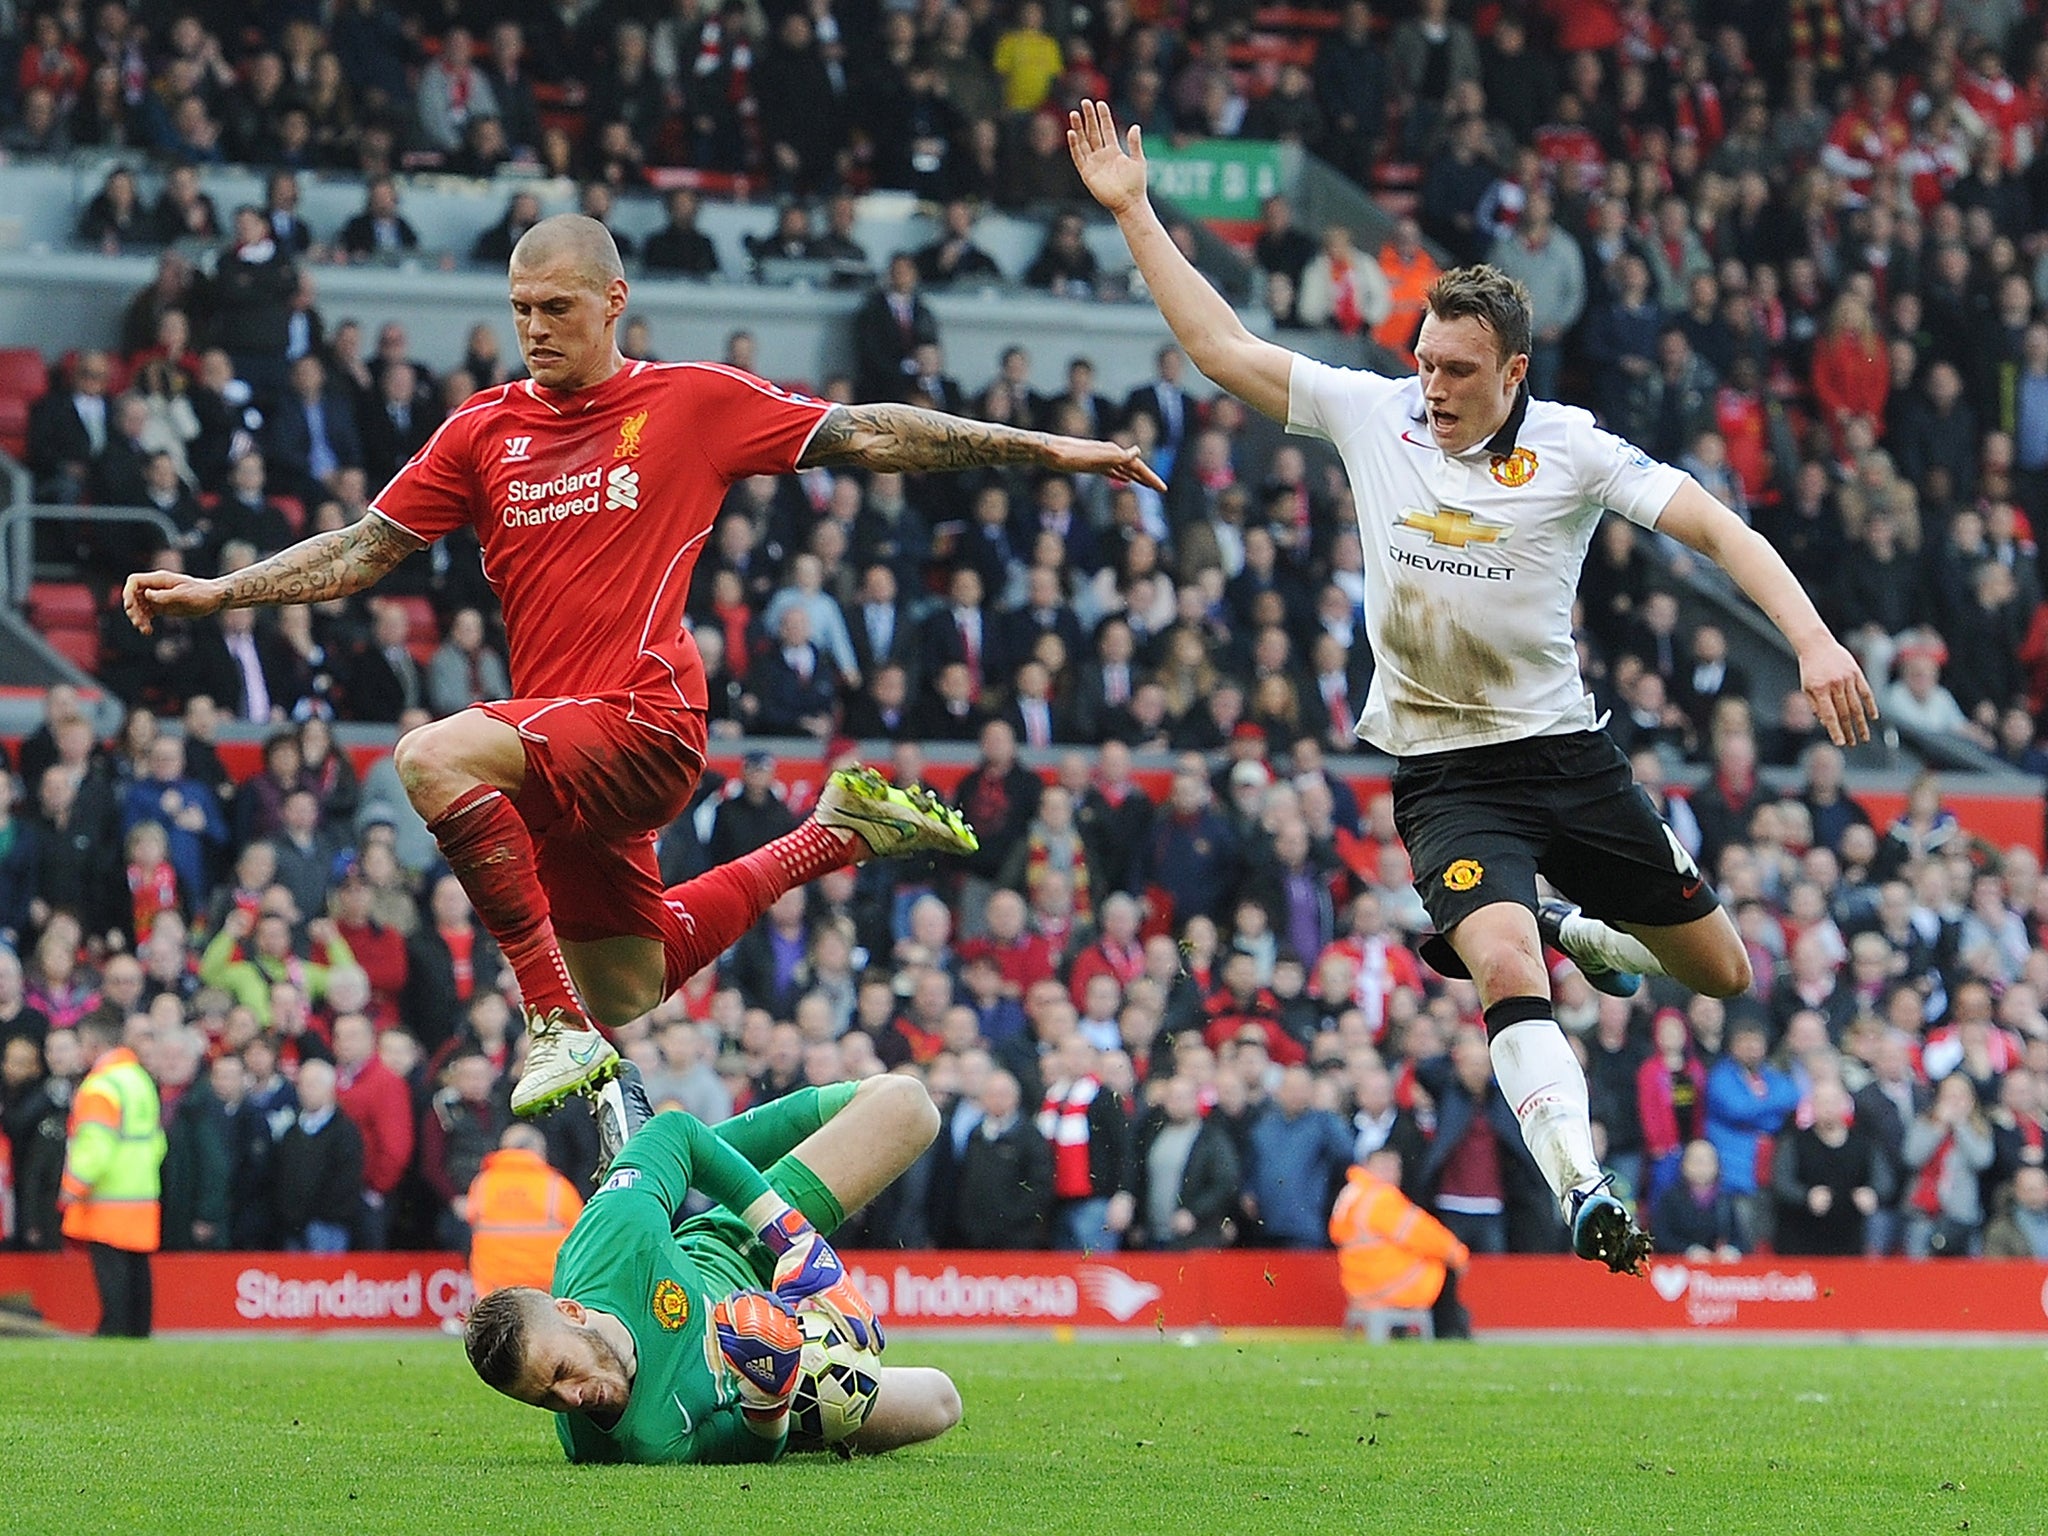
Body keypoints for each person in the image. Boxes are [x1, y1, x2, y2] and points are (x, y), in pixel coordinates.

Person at [1069, 100, 1878, 1276]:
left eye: (1454, 369)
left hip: (1566, 754)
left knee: (1721, 973)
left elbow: (1712, 526)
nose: (1428, 384)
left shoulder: (1574, 450)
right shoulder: (1372, 414)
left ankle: (1572, 928)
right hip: (1447, 774)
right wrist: (1135, 210)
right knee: (1502, 965)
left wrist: (1811, 640)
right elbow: (1224, 351)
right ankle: (1582, 1188)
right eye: (1420, 359)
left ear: (1511, 370)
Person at [122, 214, 1162, 1122]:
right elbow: (362, 548)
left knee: (430, 759)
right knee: (626, 984)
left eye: (558, 307)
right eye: (521, 307)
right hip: (557, 756)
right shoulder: (483, 431)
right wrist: (223, 593)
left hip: (642, 717)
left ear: (613, 301)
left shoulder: (690, 403)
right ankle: (829, 836)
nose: (535, 327)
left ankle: (548, 1023)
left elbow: (874, 433)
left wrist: (1044, 449)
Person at [462, 1069, 962, 1462]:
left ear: (571, 1311)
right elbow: (747, 1448)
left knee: (909, 1105)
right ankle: (641, 1163)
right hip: (774, 1373)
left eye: (563, 1372)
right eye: (547, 1400)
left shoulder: (606, 1244)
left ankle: (644, 1162)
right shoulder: (644, 1441)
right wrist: (770, 1397)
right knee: (941, 1403)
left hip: (734, 1241)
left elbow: (679, 1129)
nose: (571, 1399)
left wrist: (792, 1237)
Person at [59, 1014, 166, 1336]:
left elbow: (96, 1145)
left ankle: (113, 1329)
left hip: (108, 1193)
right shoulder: (138, 1078)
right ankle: (138, 1330)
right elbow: (157, 1140)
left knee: (111, 1267)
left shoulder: (100, 1086)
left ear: (93, 1045)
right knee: (137, 1265)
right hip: (142, 1190)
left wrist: (72, 1186)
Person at [1329, 1146, 1471, 1339]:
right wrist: (1457, 1253)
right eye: (1384, 1167)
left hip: (1358, 1284)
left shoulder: (1350, 1194)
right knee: (1441, 1265)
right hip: (1387, 1283)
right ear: (1367, 1167)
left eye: (1395, 1168)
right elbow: (1423, 1234)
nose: (1391, 1174)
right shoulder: (1382, 1198)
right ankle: (1450, 1333)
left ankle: (1401, 1331)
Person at [466, 1121, 584, 1297]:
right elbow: (581, 1233)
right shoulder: (557, 1186)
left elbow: (469, 1220)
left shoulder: (482, 1183)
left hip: (493, 1288)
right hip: (545, 1290)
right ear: (536, 1150)